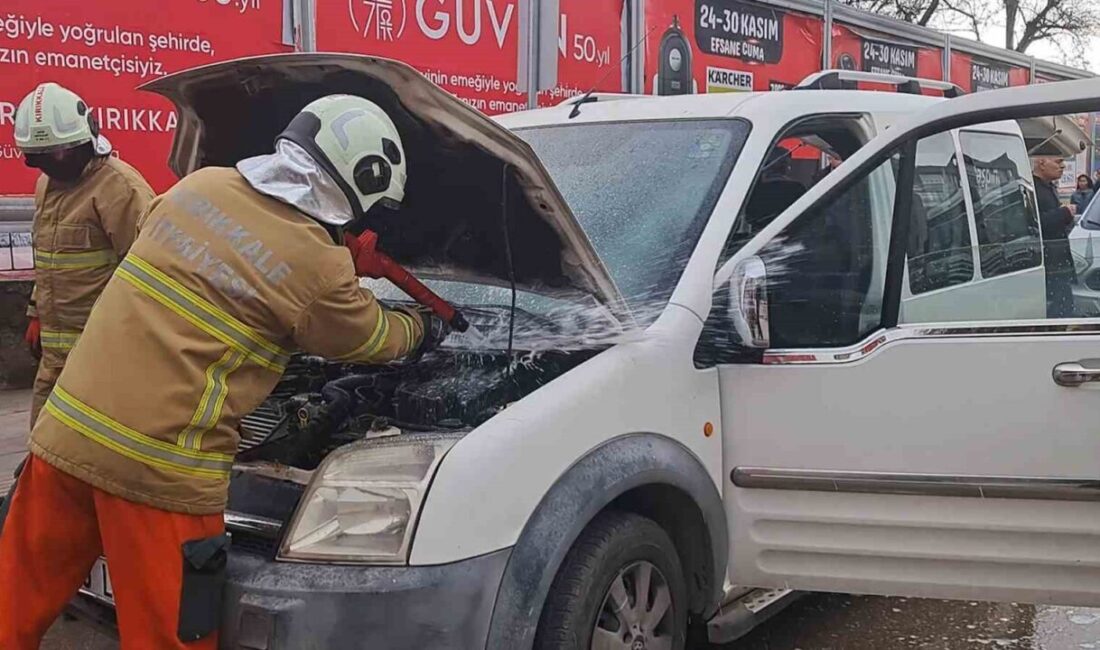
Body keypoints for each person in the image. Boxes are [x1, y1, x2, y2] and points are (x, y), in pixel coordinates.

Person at [0, 95, 449, 649]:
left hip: (64, 437)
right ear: (361, 184)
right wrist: (425, 326)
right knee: (173, 636)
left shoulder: (200, 187)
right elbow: (371, 338)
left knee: (11, 607)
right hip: (160, 471)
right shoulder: (316, 263)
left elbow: (225, 264)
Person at [15, 82, 154, 429]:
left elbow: (151, 273)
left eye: (61, 153)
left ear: (86, 139)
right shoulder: (47, 186)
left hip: (103, 356)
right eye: (42, 158)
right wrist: (36, 313)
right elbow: (50, 259)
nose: (53, 164)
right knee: (43, 444)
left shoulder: (120, 188)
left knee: (89, 456)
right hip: (56, 358)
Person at [1032, 154, 1077, 318]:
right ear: (1041, 163)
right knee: (1058, 311)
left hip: (1057, 262)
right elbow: (1035, 224)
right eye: (1058, 161)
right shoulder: (1033, 189)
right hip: (1047, 263)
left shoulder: (1049, 187)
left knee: (1065, 307)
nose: (1063, 166)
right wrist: (1064, 213)